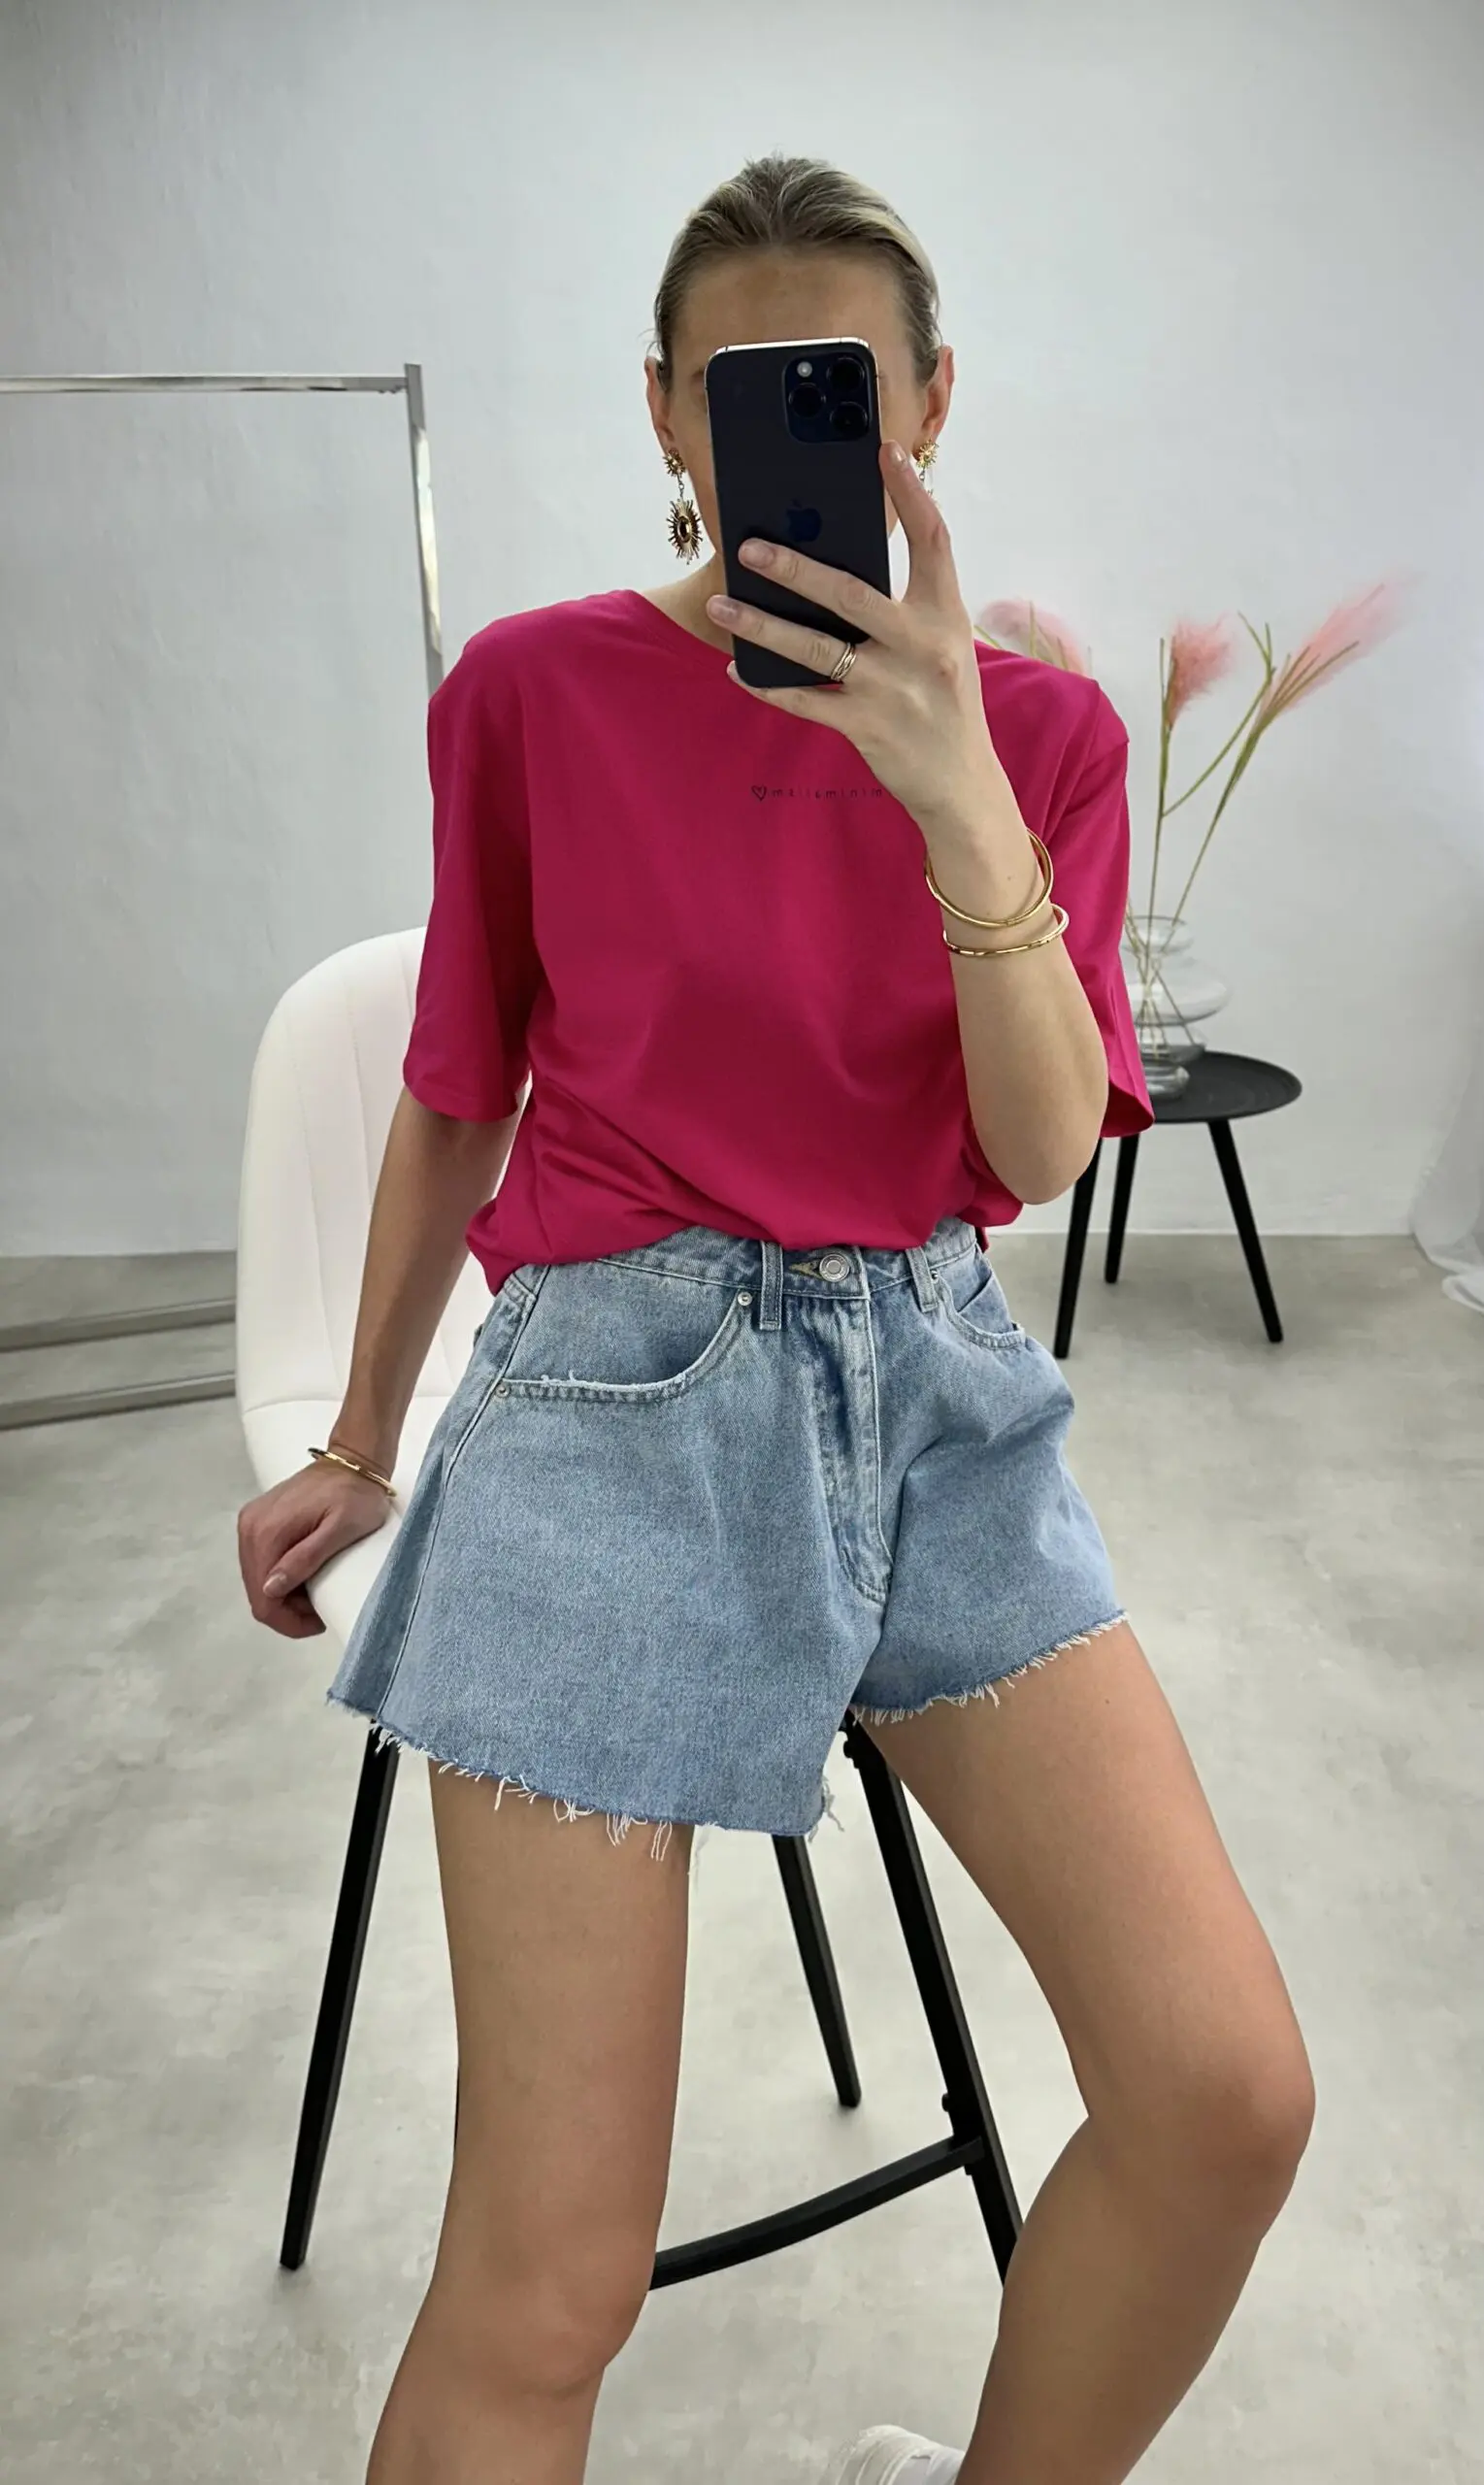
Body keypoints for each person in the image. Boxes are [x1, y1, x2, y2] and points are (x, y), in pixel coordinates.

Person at [237, 154, 1314, 2485]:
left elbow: (1033, 1149)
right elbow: (455, 1089)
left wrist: (948, 792)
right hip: (605, 1401)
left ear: (928, 406)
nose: (788, 437)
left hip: (932, 1396)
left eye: (840, 386)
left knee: (1223, 2094)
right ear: (662, 411)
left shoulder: (1040, 740)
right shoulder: (531, 691)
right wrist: (356, 1435)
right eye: (738, 391)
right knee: (550, 2272)